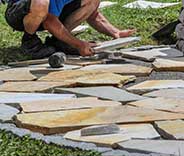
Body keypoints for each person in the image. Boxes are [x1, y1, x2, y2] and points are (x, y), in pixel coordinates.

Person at [5, 0, 135, 59]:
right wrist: (79, 44)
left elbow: (93, 13)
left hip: (46, 14)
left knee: (92, 1)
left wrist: (115, 32)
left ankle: (59, 41)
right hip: (19, 13)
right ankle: (29, 40)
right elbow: (50, 21)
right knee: (41, 3)